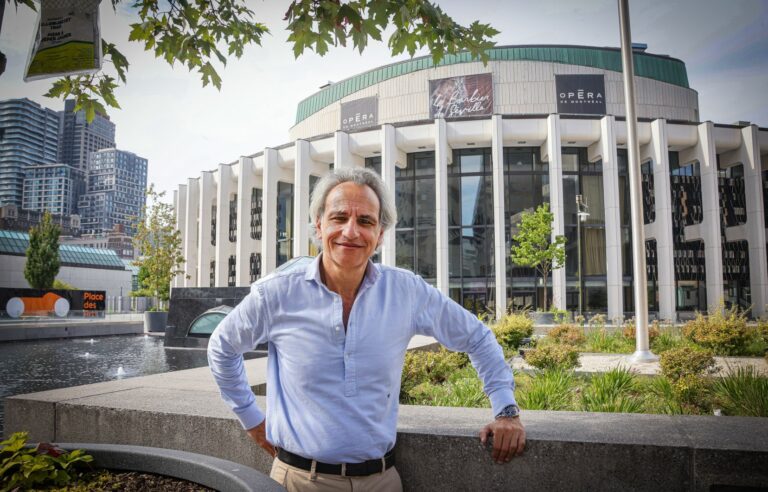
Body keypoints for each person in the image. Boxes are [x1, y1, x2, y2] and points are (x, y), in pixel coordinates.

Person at [208, 167, 525, 491]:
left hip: (382, 481)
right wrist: (251, 418)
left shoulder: (406, 292)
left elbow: (477, 337)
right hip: (299, 482)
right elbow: (222, 347)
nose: (351, 231)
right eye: (339, 217)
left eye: (365, 221)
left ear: (381, 234)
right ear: (318, 225)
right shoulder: (277, 294)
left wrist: (506, 409)